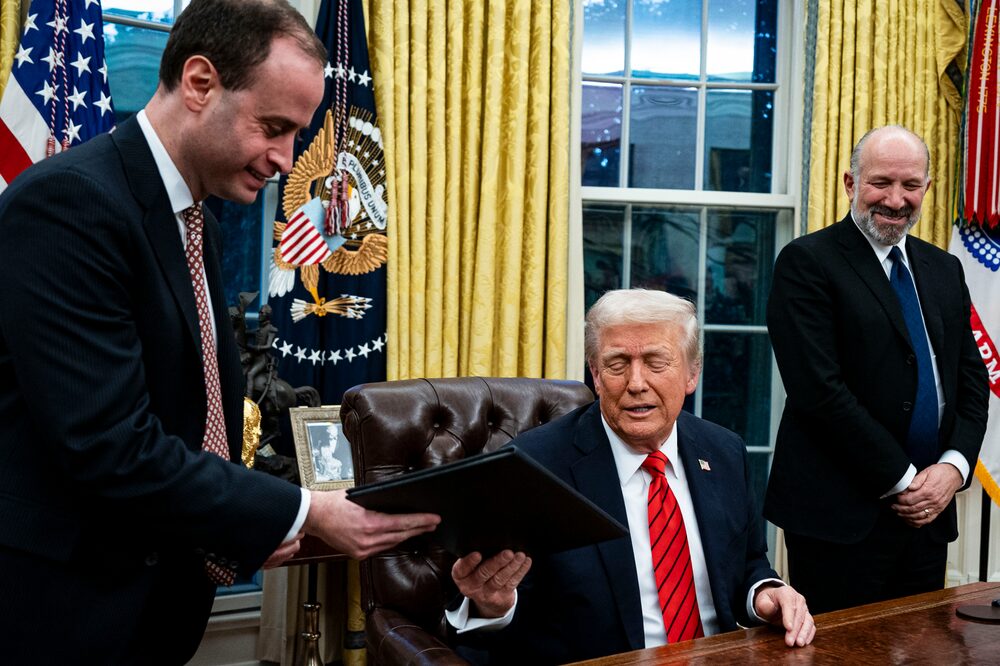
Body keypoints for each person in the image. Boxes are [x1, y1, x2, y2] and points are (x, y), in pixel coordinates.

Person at [0, 1, 438, 663]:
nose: (288, 160)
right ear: (200, 83)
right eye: (274, 127)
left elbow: (187, 412)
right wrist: (299, 511)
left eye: (297, 134)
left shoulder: (191, 212)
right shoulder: (71, 205)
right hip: (62, 614)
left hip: (155, 605)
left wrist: (246, 518)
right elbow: (110, 444)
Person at [447, 289, 815, 663]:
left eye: (656, 362)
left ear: (692, 373)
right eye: (617, 364)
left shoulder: (723, 450)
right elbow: (505, 608)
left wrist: (764, 593)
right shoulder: (535, 464)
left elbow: (749, 562)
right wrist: (491, 606)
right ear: (595, 373)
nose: (636, 383)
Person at [765, 125, 989, 614]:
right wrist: (907, 480)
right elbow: (819, 392)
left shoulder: (943, 268)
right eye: (880, 183)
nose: (895, 199)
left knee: (926, 650)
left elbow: (972, 384)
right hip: (839, 520)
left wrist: (952, 470)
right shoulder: (807, 262)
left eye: (910, 186)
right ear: (850, 183)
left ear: (927, 189)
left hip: (929, 518)